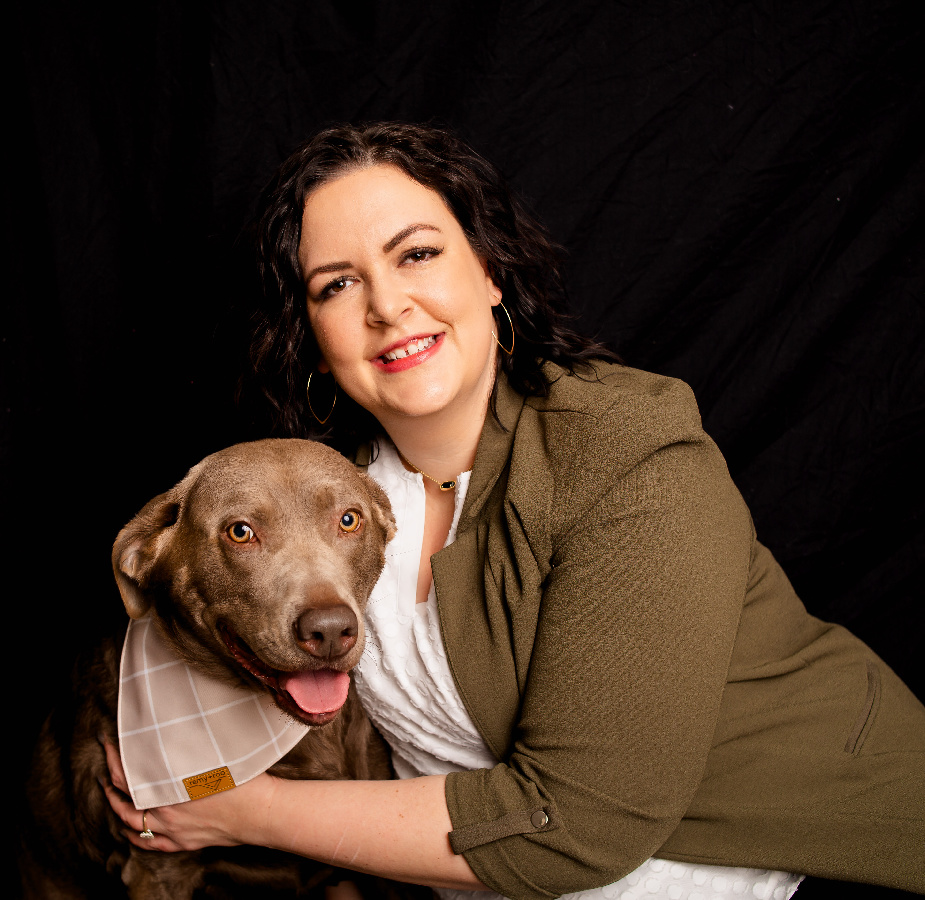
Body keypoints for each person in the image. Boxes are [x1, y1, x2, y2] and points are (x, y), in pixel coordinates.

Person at [104, 122, 925, 898]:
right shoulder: (331, 495)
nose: (387, 307)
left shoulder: (625, 458)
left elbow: (577, 828)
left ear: (490, 272)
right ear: (313, 333)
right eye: (339, 284)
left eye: (417, 254)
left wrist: (239, 811)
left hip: (768, 859)